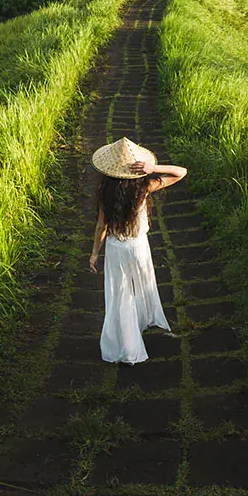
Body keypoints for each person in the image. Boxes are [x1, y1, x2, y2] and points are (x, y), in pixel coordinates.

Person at [88, 137, 187, 364]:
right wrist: (154, 169)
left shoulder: (105, 193)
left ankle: (127, 343)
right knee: (142, 286)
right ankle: (140, 325)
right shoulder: (144, 187)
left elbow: (101, 227)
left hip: (115, 249)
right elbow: (180, 172)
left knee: (120, 295)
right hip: (138, 246)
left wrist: (94, 253)